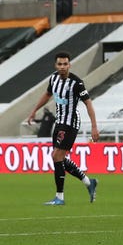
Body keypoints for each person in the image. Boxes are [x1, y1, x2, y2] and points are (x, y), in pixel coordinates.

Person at [27, 52, 100, 205]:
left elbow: (88, 103)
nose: (62, 67)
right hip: (60, 122)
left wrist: (94, 127)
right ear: (56, 65)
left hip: (71, 123)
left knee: (56, 157)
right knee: (58, 158)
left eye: (65, 64)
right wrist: (34, 111)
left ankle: (60, 197)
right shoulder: (53, 79)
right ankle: (89, 182)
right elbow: (47, 95)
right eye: (59, 64)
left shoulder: (76, 83)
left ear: (69, 65)